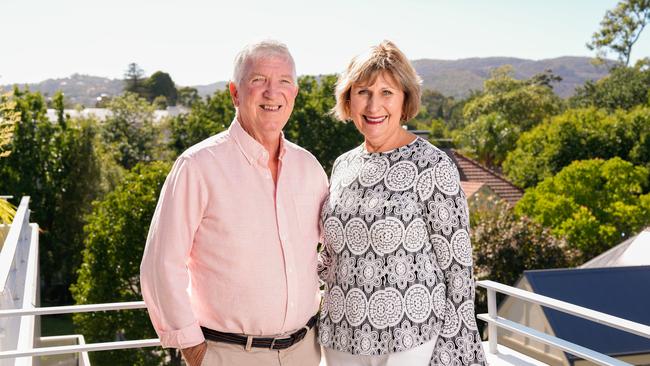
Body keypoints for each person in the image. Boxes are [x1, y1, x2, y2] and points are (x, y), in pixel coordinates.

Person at [140, 40, 328, 366]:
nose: (272, 92)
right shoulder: (197, 167)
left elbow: (334, 251)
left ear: (294, 94)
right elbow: (161, 266)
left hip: (306, 353)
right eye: (258, 81)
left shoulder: (309, 168)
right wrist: (196, 352)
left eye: (283, 82)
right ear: (235, 93)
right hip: (229, 356)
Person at [317, 41, 487, 366]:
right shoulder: (342, 166)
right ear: (348, 99)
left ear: (405, 99)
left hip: (409, 338)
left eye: (387, 93)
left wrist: (456, 350)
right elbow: (332, 253)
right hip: (339, 335)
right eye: (363, 92)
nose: (373, 105)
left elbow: (458, 269)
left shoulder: (432, 165)